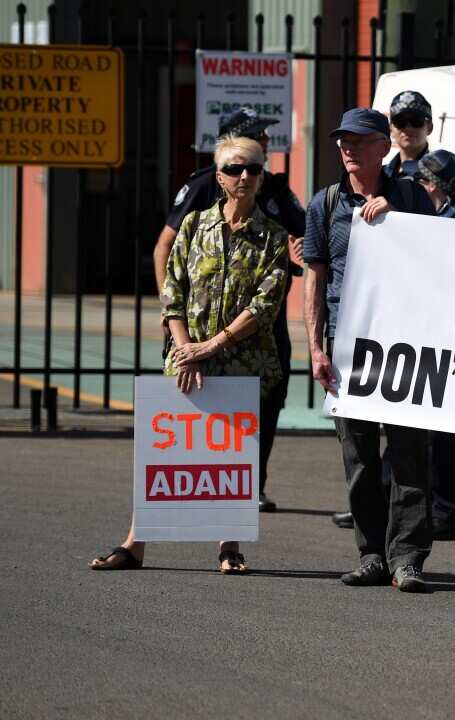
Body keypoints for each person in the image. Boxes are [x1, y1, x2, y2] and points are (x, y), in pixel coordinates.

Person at [90, 135, 290, 574]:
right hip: (187, 359)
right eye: (236, 169)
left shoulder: (273, 237)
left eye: (254, 170)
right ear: (218, 177)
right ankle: (134, 544)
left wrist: (213, 345)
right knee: (167, 453)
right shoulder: (196, 226)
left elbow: (265, 304)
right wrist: (186, 348)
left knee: (234, 456)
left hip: (242, 362)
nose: (245, 177)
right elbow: (172, 290)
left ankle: (229, 547)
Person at [302, 108, 439, 592]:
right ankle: (372, 554)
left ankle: (407, 558)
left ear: (384, 146)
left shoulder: (411, 198)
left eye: (359, 140)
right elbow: (315, 277)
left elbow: (440, 258)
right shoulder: (324, 203)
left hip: (404, 344)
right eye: (343, 140)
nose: (348, 148)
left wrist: (395, 220)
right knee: (357, 456)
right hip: (348, 347)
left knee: (408, 453)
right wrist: (316, 348)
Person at [154, 107, 306, 514]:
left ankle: (247, 488)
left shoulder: (271, 187)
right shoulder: (204, 187)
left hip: (256, 335)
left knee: (262, 408)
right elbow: (167, 254)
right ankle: (184, 501)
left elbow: (304, 233)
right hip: (196, 330)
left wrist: (305, 249)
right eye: (257, 135)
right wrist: (178, 332)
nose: (248, 174)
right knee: (193, 416)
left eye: (255, 166)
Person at [413, 149, 455, 540]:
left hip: (452, 338)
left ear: (436, 187)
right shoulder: (430, 219)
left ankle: (449, 512)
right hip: (428, 334)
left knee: (449, 432)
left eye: (423, 183)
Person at [385, 90, 434, 180]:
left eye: (416, 121)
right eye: (400, 122)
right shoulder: (382, 175)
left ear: (429, 127)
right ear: (390, 129)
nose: (408, 128)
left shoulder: (440, 176)